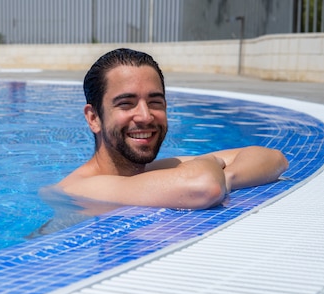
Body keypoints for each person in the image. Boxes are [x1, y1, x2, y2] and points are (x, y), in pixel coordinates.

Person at [56, 48, 289, 210]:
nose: (146, 116)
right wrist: (210, 167)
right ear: (94, 117)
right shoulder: (81, 187)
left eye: (155, 102)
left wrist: (226, 176)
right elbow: (203, 187)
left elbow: (273, 158)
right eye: (126, 103)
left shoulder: (147, 172)